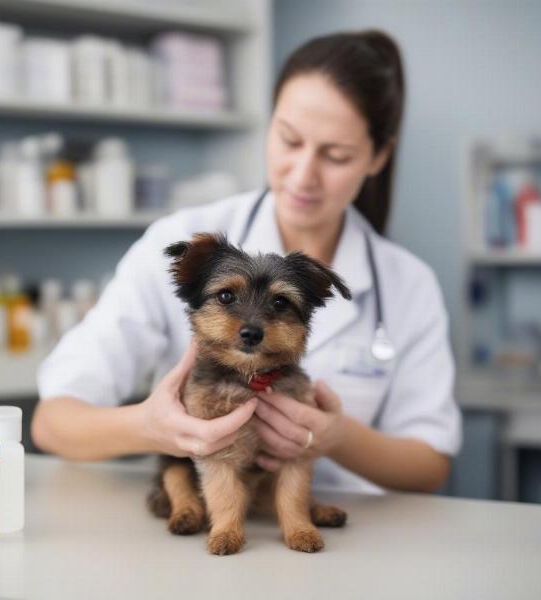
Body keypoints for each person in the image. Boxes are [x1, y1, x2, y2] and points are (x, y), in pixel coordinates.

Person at [32, 30, 462, 494]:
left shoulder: (408, 284)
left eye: (335, 155)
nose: (303, 176)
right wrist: (150, 427)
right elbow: (52, 423)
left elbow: (430, 466)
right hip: (212, 526)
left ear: (378, 156)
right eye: (289, 139)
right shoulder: (184, 243)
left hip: (346, 530)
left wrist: (336, 437)